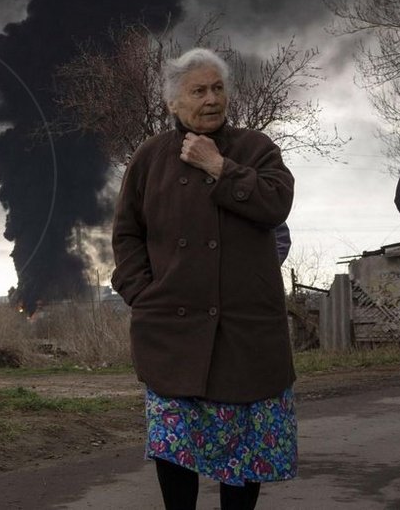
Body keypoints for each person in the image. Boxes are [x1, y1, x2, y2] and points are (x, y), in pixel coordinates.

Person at [111, 47, 297, 510]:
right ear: (173, 102)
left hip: (245, 335)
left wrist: (218, 165)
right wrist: (141, 293)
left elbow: (276, 205)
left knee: (244, 456)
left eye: (218, 88)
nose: (212, 99)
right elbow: (127, 232)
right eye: (199, 90)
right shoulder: (150, 157)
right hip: (172, 334)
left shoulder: (256, 148)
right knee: (176, 451)